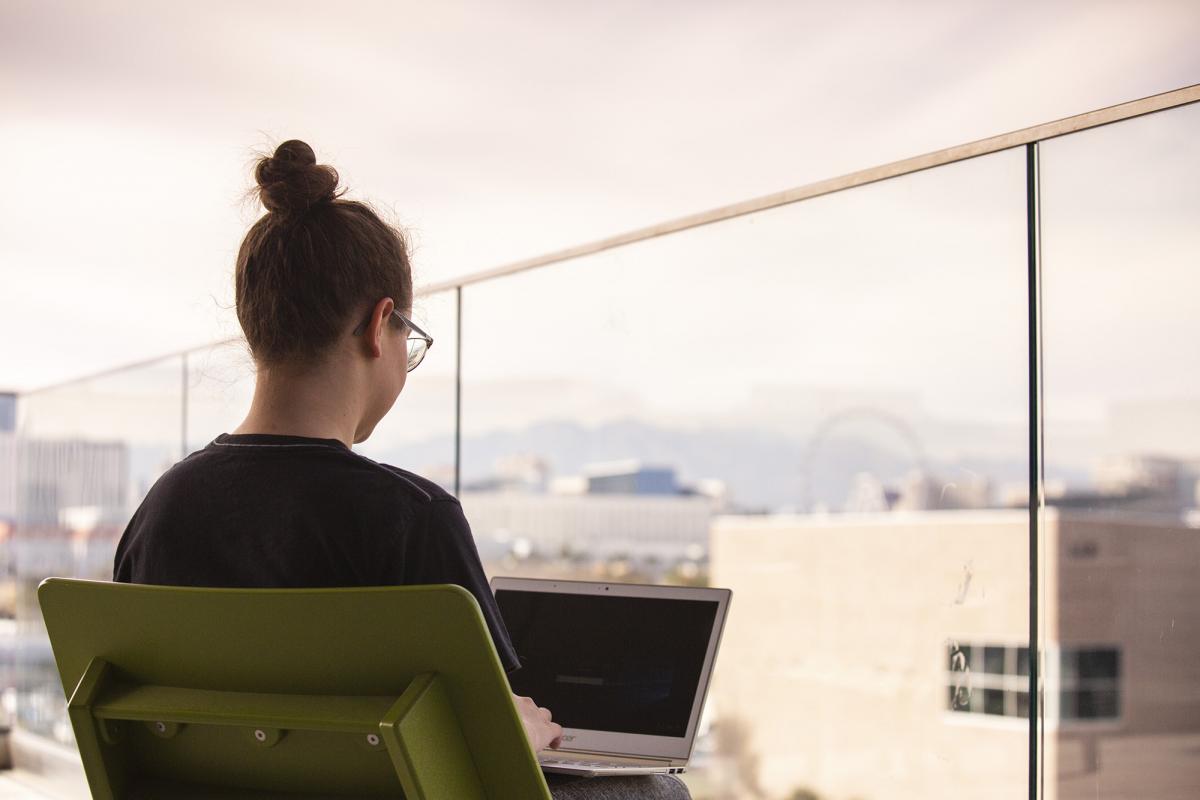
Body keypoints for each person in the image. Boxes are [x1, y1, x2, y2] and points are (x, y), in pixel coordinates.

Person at [113, 140, 690, 800]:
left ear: (256, 332)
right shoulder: (408, 516)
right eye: (407, 342)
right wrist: (523, 731)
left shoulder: (162, 509)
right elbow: (487, 753)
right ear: (379, 324)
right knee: (658, 793)